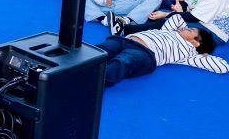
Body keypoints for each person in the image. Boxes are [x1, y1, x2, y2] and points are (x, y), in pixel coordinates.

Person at [96, 14, 226, 88]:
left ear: (195, 43)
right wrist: (184, 30)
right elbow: (177, 18)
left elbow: (222, 67)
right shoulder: (169, 30)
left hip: (144, 53)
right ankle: (80, 64)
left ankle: (92, 80)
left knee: (122, 63)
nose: (186, 28)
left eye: (190, 30)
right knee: (102, 49)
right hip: (124, 41)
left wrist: (203, 52)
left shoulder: (188, 53)